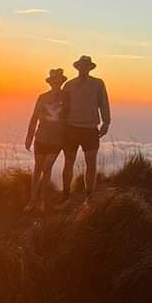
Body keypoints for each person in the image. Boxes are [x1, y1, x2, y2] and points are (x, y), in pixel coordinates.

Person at [61, 54, 110, 198]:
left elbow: (104, 103)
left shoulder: (98, 84)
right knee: (69, 162)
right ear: (78, 67)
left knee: (91, 163)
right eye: (82, 65)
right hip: (71, 128)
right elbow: (63, 107)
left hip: (90, 128)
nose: (84, 68)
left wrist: (106, 122)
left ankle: (89, 194)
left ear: (89, 67)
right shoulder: (69, 85)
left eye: (86, 65)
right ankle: (66, 193)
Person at [24, 68, 68, 211]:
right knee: (38, 169)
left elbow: (69, 118)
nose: (56, 83)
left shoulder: (66, 97)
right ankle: (32, 201)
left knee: (46, 169)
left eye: (58, 81)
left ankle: (41, 202)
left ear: (61, 82)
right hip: (41, 138)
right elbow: (34, 117)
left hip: (56, 140)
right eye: (54, 81)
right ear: (50, 82)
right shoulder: (42, 97)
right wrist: (29, 137)